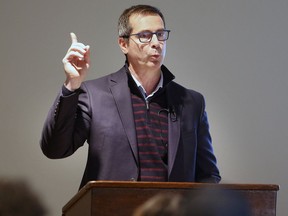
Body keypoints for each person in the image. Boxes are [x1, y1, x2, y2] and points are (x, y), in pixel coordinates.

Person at [40, 4, 221, 189]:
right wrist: (72, 84)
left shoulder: (191, 102)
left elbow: (208, 174)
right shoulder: (94, 94)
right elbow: (55, 149)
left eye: (160, 34)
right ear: (123, 44)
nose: (156, 42)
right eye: (145, 35)